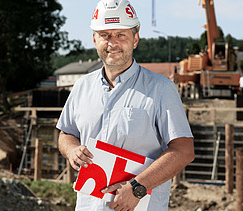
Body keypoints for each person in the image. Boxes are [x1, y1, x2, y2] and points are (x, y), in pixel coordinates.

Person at [56, 0, 194, 210]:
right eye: (105, 35)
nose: (113, 43)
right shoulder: (81, 87)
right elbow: (66, 134)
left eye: (121, 35)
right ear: (95, 39)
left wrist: (138, 187)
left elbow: (184, 151)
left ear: (135, 39)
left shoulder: (161, 89)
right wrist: (72, 149)